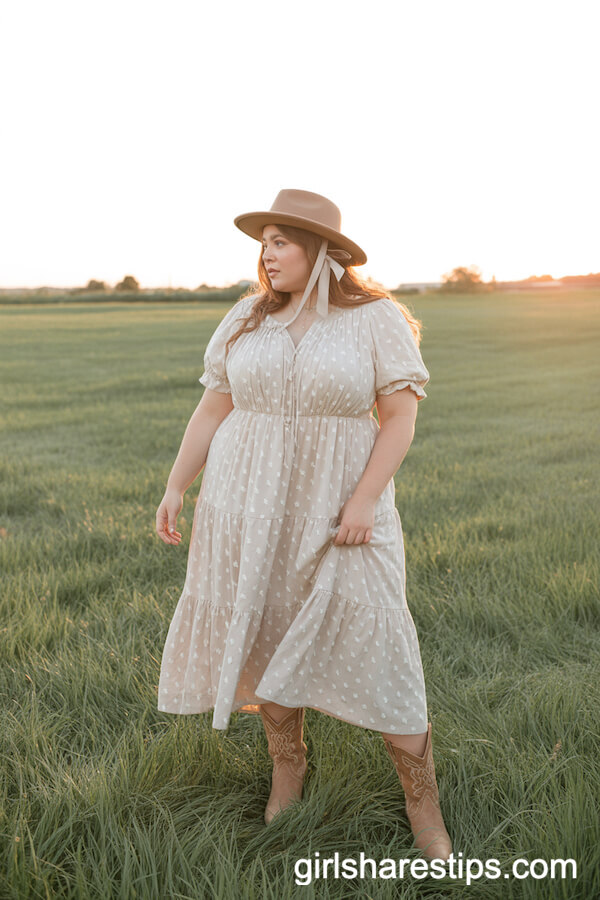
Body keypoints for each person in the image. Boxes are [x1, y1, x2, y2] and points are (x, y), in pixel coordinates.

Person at [155, 189, 452, 860]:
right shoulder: (246, 318)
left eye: (281, 241)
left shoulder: (374, 320)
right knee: (267, 628)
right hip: (247, 504)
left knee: (383, 639)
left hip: (345, 507)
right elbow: (211, 411)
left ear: (321, 251)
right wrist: (177, 485)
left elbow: (400, 418)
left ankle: (422, 804)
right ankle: (288, 768)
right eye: (264, 243)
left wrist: (365, 500)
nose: (267, 253)